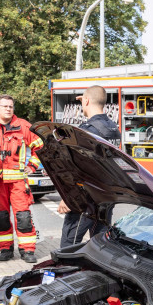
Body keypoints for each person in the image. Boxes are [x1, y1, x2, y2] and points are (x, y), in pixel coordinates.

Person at [0, 95, 43, 263]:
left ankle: (27, 250)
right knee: (1, 217)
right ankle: (5, 249)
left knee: (23, 217)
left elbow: (40, 147)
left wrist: (33, 165)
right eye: (5, 106)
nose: (8, 109)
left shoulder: (23, 126)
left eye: (11, 106)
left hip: (18, 181)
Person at [58, 85, 121, 248]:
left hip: (86, 198)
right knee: (101, 244)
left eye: (83, 101)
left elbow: (79, 167)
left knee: (69, 243)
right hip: (106, 196)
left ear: (85, 101)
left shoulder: (87, 131)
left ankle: (67, 272)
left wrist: (68, 196)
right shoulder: (114, 128)